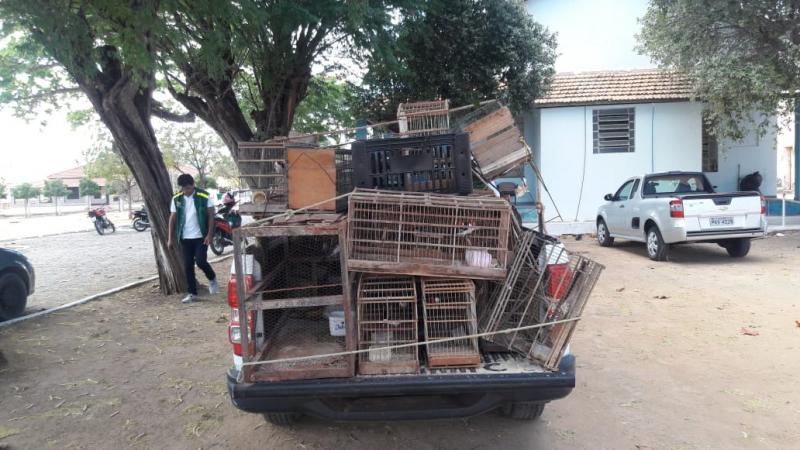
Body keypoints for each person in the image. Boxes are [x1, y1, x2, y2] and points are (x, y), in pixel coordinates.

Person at [167, 174, 218, 304]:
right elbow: (172, 219)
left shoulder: (204, 196)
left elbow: (211, 216)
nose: (187, 191)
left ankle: (212, 278)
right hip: (185, 238)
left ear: (193, 184)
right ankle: (192, 293)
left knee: (201, 261)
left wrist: (210, 235)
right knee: (188, 265)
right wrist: (170, 238)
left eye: (189, 188)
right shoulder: (176, 198)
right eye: (184, 189)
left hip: (201, 236)